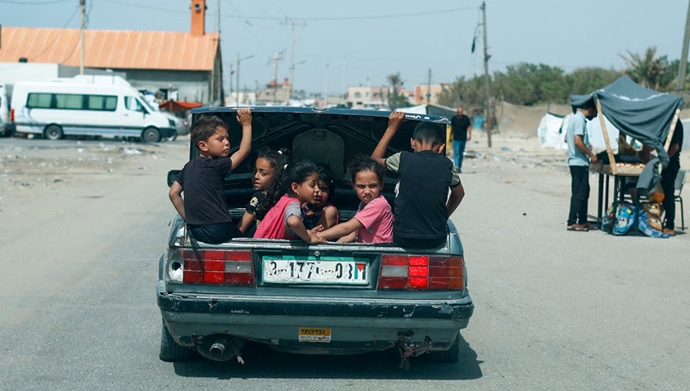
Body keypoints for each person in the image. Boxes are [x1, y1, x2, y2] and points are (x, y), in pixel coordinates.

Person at [372, 111, 465, 248]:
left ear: (412, 143)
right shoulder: (447, 165)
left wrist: (391, 128)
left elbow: (373, 162)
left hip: (402, 237)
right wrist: (443, 216)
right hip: (435, 239)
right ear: (441, 148)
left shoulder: (402, 159)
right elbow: (459, 193)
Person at [168, 109, 252, 244]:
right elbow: (244, 151)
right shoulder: (217, 165)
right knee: (250, 233)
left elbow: (173, 193)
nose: (227, 143)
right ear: (203, 145)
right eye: (220, 139)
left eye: (227, 138)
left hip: (196, 231)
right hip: (218, 228)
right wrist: (246, 125)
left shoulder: (188, 166)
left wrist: (188, 219)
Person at [315, 157, 393, 243]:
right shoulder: (365, 204)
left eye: (372, 186)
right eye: (361, 186)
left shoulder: (378, 205)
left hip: (378, 254)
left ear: (381, 184)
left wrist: (315, 236)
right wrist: (336, 246)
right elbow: (354, 233)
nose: (367, 191)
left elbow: (347, 227)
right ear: (353, 185)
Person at [253, 160, 324, 244]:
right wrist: (309, 238)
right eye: (312, 185)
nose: (317, 189)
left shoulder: (284, 200)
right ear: (295, 187)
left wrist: (306, 232)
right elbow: (293, 222)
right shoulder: (293, 204)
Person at [238, 147, 289, 237]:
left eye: (263, 173)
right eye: (254, 171)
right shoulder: (286, 198)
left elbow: (241, 228)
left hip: (255, 243)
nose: (256, 176)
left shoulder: (258, 197)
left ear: (277, 175)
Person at [565, 100, 598, 232]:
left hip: (578, 161)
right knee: (579, 192)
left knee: (584, 191)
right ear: (590, 109)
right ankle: (572, 222)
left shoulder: (574, 119)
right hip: (578, 162)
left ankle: (583, 220)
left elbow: (567, 138)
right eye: (595, 112)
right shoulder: (579, 120)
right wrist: (591, 155)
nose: (595, 116)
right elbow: (577, 141)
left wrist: (585, 144)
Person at [661, 120, 684, 236]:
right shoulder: (665, 121)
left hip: (671, 163)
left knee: (668, 191)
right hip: (665, 162)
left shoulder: (676, 124)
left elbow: (675, 146)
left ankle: (670, 224)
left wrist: (665, 160)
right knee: (661, 191)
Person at [302, 165, 339, 231]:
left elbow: (316, 234)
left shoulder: (329, 211)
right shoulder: (304, 205)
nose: (319, 193)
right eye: (314, 187)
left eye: (324, 189)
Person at [450, 106, 472, 171]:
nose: (460, 114)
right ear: (457, 112)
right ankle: (456, 166)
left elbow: (469, 127)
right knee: (456, 153)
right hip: (455, 139)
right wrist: (450, 137)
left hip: (463, 139)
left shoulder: (466, 119)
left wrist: (470, 135)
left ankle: (459, 167)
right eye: (459, 112)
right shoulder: (454, 119)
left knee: (461, 153)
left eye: (461, 112)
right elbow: (451, 128)